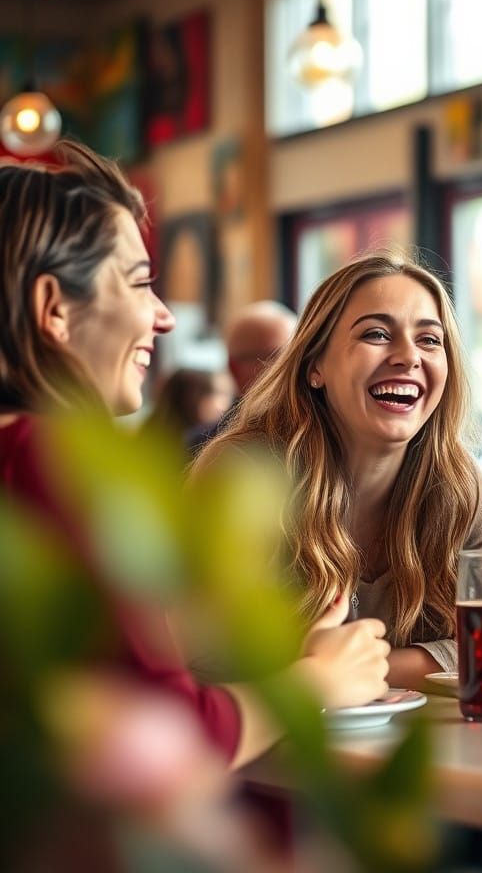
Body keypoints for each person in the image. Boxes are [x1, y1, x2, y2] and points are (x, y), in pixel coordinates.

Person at [0, 141, 390, 770]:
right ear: (54, 311)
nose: (164, 318)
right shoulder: (50, 460)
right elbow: (155, 741)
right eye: (138, 284)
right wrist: (319, 679)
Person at [194, 250, 482, 683]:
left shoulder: (457, 483)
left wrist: (358, 671)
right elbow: (205, 664)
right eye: (376, 334)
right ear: (315, 365)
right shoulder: (245, 474)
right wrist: (455, 656)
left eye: (429, 340)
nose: (408, 356)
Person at [186, 300, 297, 453]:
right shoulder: (202, 451)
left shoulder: (324, 436)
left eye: (298, 353)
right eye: (278, 356)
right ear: (235, 369)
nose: (294, 366)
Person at [143, 367, 233, 443]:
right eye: (222, 393)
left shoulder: (149, 433)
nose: (227, 404)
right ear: (195, 397)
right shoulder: (190, 448)